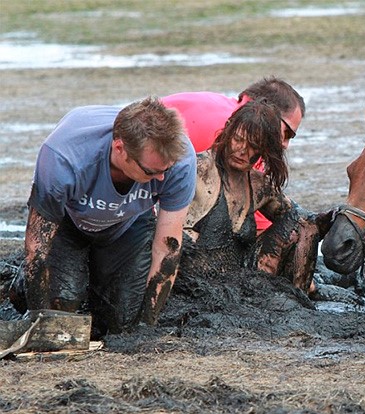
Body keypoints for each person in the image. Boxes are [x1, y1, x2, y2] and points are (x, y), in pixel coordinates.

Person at [10, 97, 197, 335]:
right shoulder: (64, 157)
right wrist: (42, 324)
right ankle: (20, 284)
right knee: (63, 305)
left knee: (122, 322)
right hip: (69, 222)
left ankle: (99, 281)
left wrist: (144, 329)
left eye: (165, 171)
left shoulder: (179, 161)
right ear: (119, 149)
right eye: (151, 172)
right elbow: (38, 247)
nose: (161, 179)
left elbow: (167, 248)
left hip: (129, 223)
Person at [179, 98, 328, 294]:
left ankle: (303, 293)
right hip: (191, 283)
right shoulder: (197, 170)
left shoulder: (258, 186)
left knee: (301, 224)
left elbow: (302, 218)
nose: (242, 150)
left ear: (265, 151)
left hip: (239, 283)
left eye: (253, 146)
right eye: (238, 139)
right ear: (228, 132)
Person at [161, 77, 304, 234]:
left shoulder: (226, 111)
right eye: (287, 133)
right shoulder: (237, 134)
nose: (285, 144)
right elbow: (255, 219)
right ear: (269, 113)